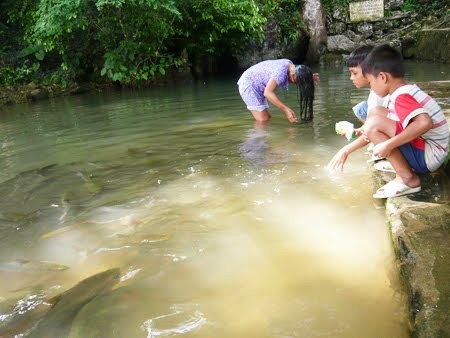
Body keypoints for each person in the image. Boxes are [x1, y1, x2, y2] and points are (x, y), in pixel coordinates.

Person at [350, 44, 448, 198]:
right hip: (433, 150)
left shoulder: (401, 96)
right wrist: (364, 129)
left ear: (383, 77)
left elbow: (424, 123)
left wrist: (388, 144)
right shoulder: (404, 90)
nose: (372, 87)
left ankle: (408, 179)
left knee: (374, 124)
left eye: (371, 82)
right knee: (375, 114)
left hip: (430, 156)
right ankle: (402, 166)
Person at [328, 45, 387, 170]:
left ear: (370, 71)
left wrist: (345, 151)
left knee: (369, 124)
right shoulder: (376, 92)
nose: (351, 78)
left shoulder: (378, 96)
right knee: (360, 109)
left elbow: (372, 127)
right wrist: (358, 131)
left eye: (354, 73)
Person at [237, 59, 318, 123]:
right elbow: (268, 93)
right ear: (292, 75)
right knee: (263, 120)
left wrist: (308, 78)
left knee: (267, 118)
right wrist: (286, 109)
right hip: (249, 85)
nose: (292, 83)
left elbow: (298, 74)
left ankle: (264, 140)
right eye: (294, 82)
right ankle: (257, 142)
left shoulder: (290, 65)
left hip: (257, 85)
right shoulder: (281, 73)